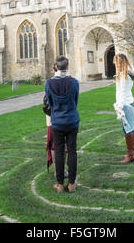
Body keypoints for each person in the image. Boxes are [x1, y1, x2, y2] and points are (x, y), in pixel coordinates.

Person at [45, 56, 80, 193]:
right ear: (67, 67)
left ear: (56, 67)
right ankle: (71, 184)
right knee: (72, 151)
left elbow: (50, 102)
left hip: (58, 121)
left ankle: (60, 184)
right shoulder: (74, 82)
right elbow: (75, 100)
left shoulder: (49, 83)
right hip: (71, 120)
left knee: (59, 152)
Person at [113, 53, 134, 164]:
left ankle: (130, 154)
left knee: (127, 130)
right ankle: (133, 152)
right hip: (129, 103)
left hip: (124, 105)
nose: (115, 64)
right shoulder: (129, 73)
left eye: (116, 63)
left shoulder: (123, 76)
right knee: (131, 129)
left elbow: (122, 93)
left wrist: (119, 107)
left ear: (119, 63)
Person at [44, 64, 68, 178]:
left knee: (61, 146)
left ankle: (60, 170)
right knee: (57, 146)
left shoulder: (50, 83)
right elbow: (46, 103)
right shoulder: (52, 83)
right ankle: (58, 171)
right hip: (57, 119)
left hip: (57, 119)